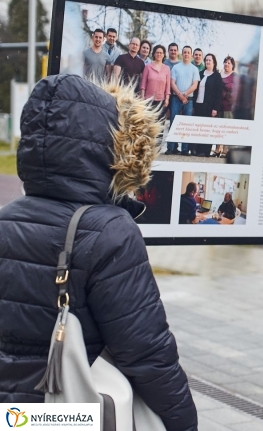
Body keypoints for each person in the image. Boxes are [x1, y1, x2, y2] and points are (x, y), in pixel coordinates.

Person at [0, 74, 197, 430]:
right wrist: (183, 423)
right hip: (67, 415)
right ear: (106, 145)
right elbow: (148, 354)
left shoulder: (5, 219)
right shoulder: (111, 232)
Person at [167, 46, 200, 156]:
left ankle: (185, 149)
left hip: (189, 100)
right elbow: (172, 83)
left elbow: (195, 85)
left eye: (188, 52)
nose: (186, 54)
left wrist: (184, 94)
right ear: (182, 54)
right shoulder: (176, 68)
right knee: (173, 122)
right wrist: (180, 95)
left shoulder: (194, 69)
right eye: (184, 52)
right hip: (176, 98)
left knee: (187, 124)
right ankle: (170, 148)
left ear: (191, 55)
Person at [193, 53, 223, 158]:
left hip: (209, 106)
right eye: (206, 60)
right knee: (198, 128)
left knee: (206, 129)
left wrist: (215, 108)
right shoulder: (200, 73)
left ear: (214, 62)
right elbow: (196, 89)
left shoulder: (217, 76)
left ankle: (205, 151)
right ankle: (197, 150)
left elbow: (219, 94)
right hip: (198, 105)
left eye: (210, 60)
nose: (208, 62)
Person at [214, 55, 239, 158]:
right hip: (218, 105)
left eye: (229, 63)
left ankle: (225, 150)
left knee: (227, 128)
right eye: (225, 62)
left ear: (232, 65)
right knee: (218, 128)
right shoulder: (219, 75)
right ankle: (217, 149)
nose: (226, 64)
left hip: (229, 106)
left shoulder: (235, 76)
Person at [140, 44, 171, 117]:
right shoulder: (148, 67)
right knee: (149, 122)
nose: (159, 54)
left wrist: (167, 99)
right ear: (154, 54)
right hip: (148, 100)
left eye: (161, 53)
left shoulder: (167, 69)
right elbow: (143, 84)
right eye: (157, 52)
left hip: (161, 100)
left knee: (159, 123)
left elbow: (168, 86)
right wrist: (142, 98)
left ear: (163, 55)